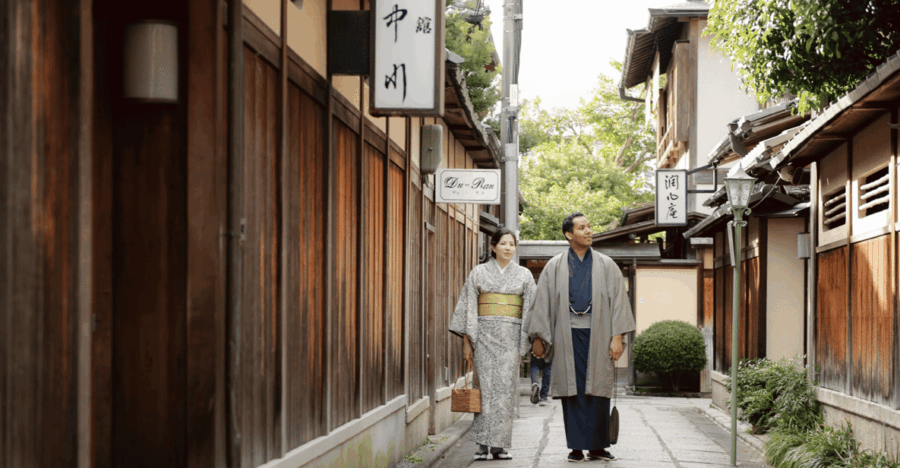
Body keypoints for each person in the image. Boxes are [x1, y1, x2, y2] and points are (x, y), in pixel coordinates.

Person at [526, 212, 635, 462]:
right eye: (582, 228)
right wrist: (539, 338)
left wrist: (617, 337)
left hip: (600, 334)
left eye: (589, 227)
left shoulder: (607, 265)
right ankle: (576, 446)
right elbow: (542, 303)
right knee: (572, 391)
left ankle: (597, 447)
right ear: (569, 234)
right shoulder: (554, 266)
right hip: (567, 335)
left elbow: (619, 302)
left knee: (598, 389)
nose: (589, 231)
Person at [449, 228, 537, 461]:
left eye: (512, 244)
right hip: (483, 337)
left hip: (511, 338)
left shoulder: (524, 275)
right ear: (493, 247)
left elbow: (531, 309)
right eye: (504, 243)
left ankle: (499, 446)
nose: (508, 248)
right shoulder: (478, 272)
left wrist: (527, 340)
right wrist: (467, 342)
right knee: (484, 391)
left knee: (505, 392)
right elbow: (469, 308)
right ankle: (481, 445)